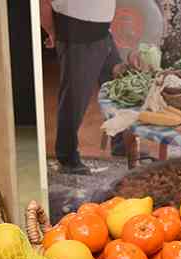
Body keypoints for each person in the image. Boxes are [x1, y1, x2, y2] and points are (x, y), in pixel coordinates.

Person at [39, 0, 122, 175]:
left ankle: (121, 145)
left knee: (120, 86)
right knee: (74, 98)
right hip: (77, 33)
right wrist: (52, 31)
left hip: (102, 31)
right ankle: (67, 159)